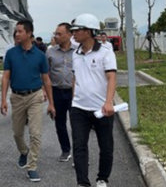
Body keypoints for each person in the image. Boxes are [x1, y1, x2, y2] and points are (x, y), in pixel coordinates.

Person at [0, 20, 55, 183]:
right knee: (17, 133)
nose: (16, 34)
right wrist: (3, 99)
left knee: (35, 133)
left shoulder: (40, 55)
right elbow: (6, 77)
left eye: (19, 31)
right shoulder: (11, 54)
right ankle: (24, 151)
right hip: (16, 97)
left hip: (35, 96)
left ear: (29, 34)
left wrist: (51, 103)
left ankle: (32, 166)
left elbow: (46, 80)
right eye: (16, 32)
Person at [70, 13, 117, 187]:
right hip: (79, 108)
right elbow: (76, 77)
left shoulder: (106, 52)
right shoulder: (76, 53)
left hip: (101, 108)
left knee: (106, 147)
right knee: (79, 146)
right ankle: (83, 182)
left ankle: (102, 178)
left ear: (88, 31)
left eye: (77, 30)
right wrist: (75, 97)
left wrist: (109, 102)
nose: (73, 33)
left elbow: (111, 77)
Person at [45, 22, 77, 163]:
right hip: (57, 92)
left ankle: (79, 153)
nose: (56, 36)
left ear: (69, 35)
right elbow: (46, 74)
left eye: (59, 34)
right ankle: (65, 150)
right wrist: (47, 95)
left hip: (75, 92)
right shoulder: (50, 51)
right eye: (55, 33)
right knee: (60, 123)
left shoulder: (78, 51)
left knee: (78, 124)